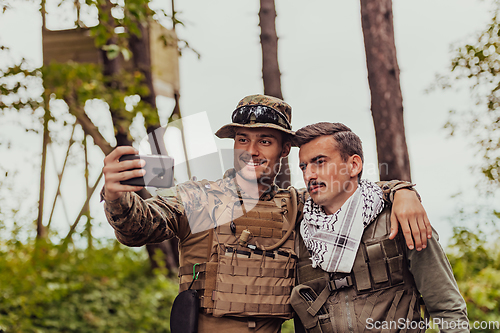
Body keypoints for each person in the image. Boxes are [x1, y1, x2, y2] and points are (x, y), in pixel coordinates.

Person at [101, 95, 431, 333]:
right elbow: (138, 228)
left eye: (265, 141)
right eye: (242, 139)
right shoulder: (200, 198)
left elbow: (349, 190)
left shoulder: (298, 205)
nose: (251, 151)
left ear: (284, 149)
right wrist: (117, 198)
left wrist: (401, 191)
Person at [291, 122, 468, 333]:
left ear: (353, 165)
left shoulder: (401, 220)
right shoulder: (299, 233)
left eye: (319, 162)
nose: (309, 175)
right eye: (303, 166)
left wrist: (403, 191)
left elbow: (448, 309)